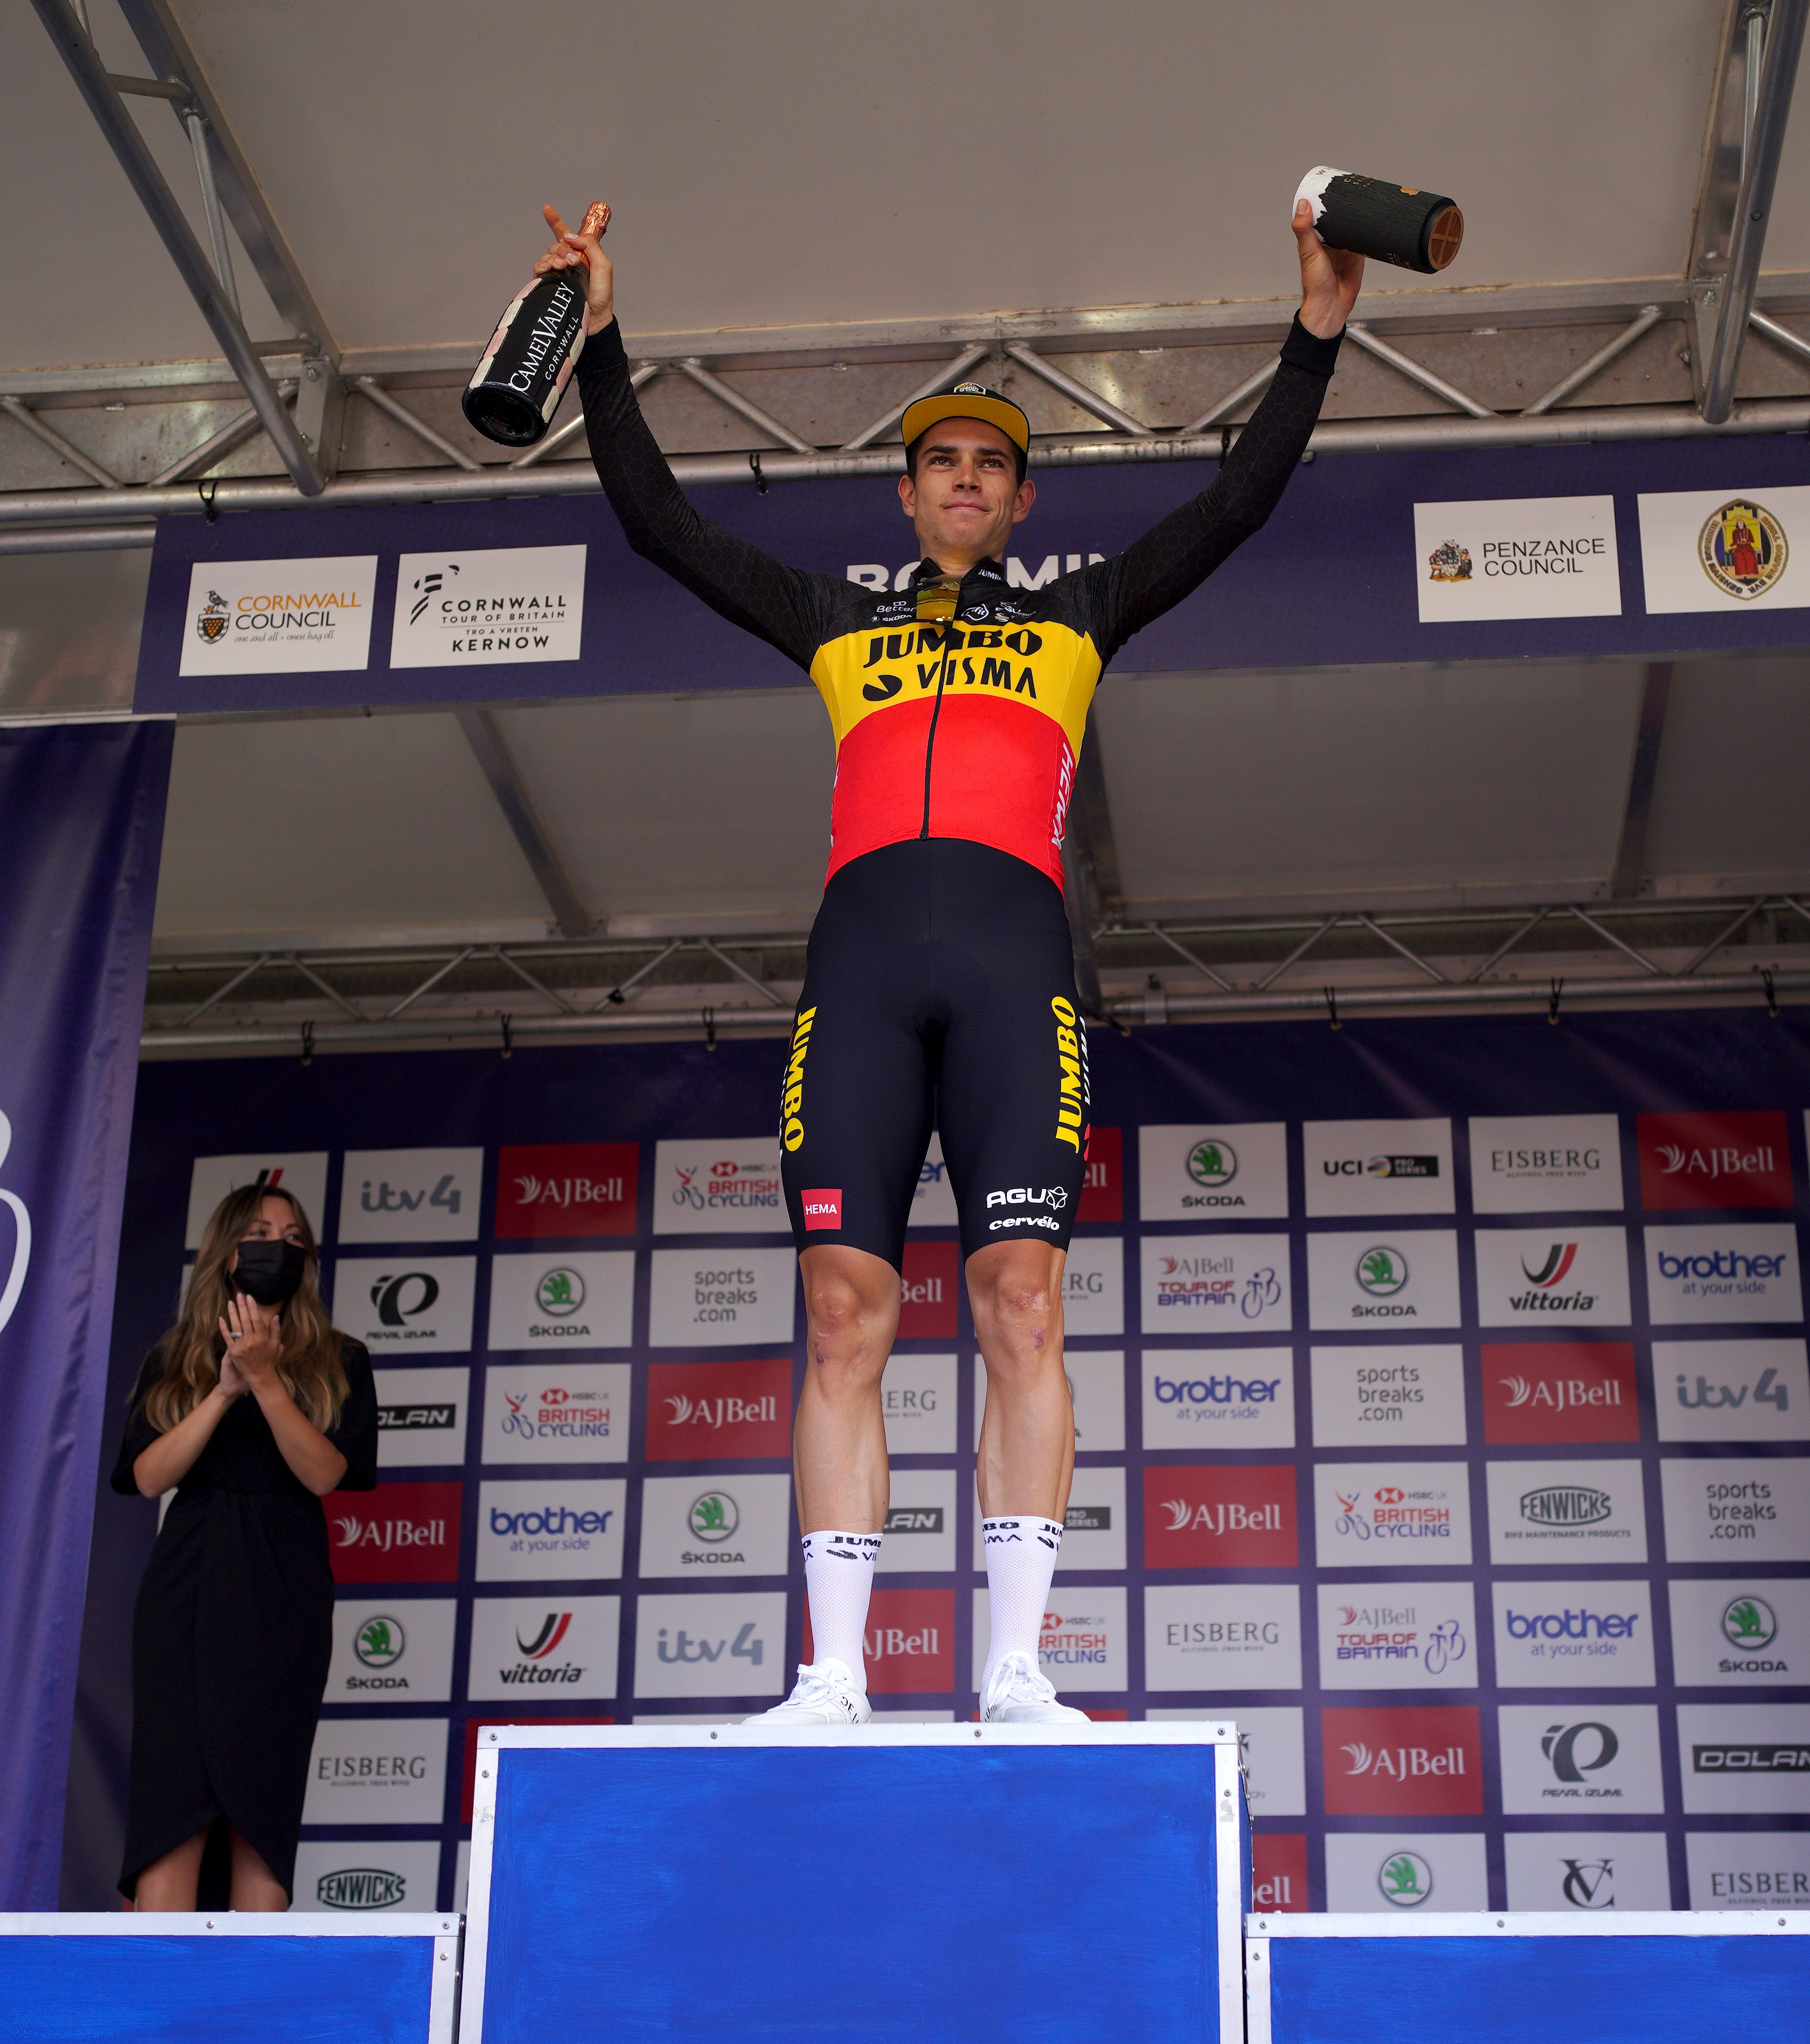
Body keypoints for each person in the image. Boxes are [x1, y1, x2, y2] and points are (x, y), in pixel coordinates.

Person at [527, 193, 1363, 1724]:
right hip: (855, 966)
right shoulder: (829, 614)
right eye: (941, 463)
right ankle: (832, 1671)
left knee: (1019, 1303)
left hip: (1010, 964)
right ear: (907, 496)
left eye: (991, 465)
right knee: (845, 1309)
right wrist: (599, 337)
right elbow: (660, 525)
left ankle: (1018, 1667)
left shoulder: (1080, 611)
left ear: (1021, 502)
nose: (964, 481)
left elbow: (1235, 504)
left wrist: (1312, 330)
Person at [114, 1182, 378, 1908]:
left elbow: (324, 1474)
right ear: (227, 1249)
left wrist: (265, 1379)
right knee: (171, 1817)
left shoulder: (341, 1358)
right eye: (263, 1232)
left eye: (295, 1239)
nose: (281, 1248)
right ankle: (156, 2014)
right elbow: (146, 1476)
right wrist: (224, 1388)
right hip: (188, 1587)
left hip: (281, 1589)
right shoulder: (174, 1354)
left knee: (258, 1820)